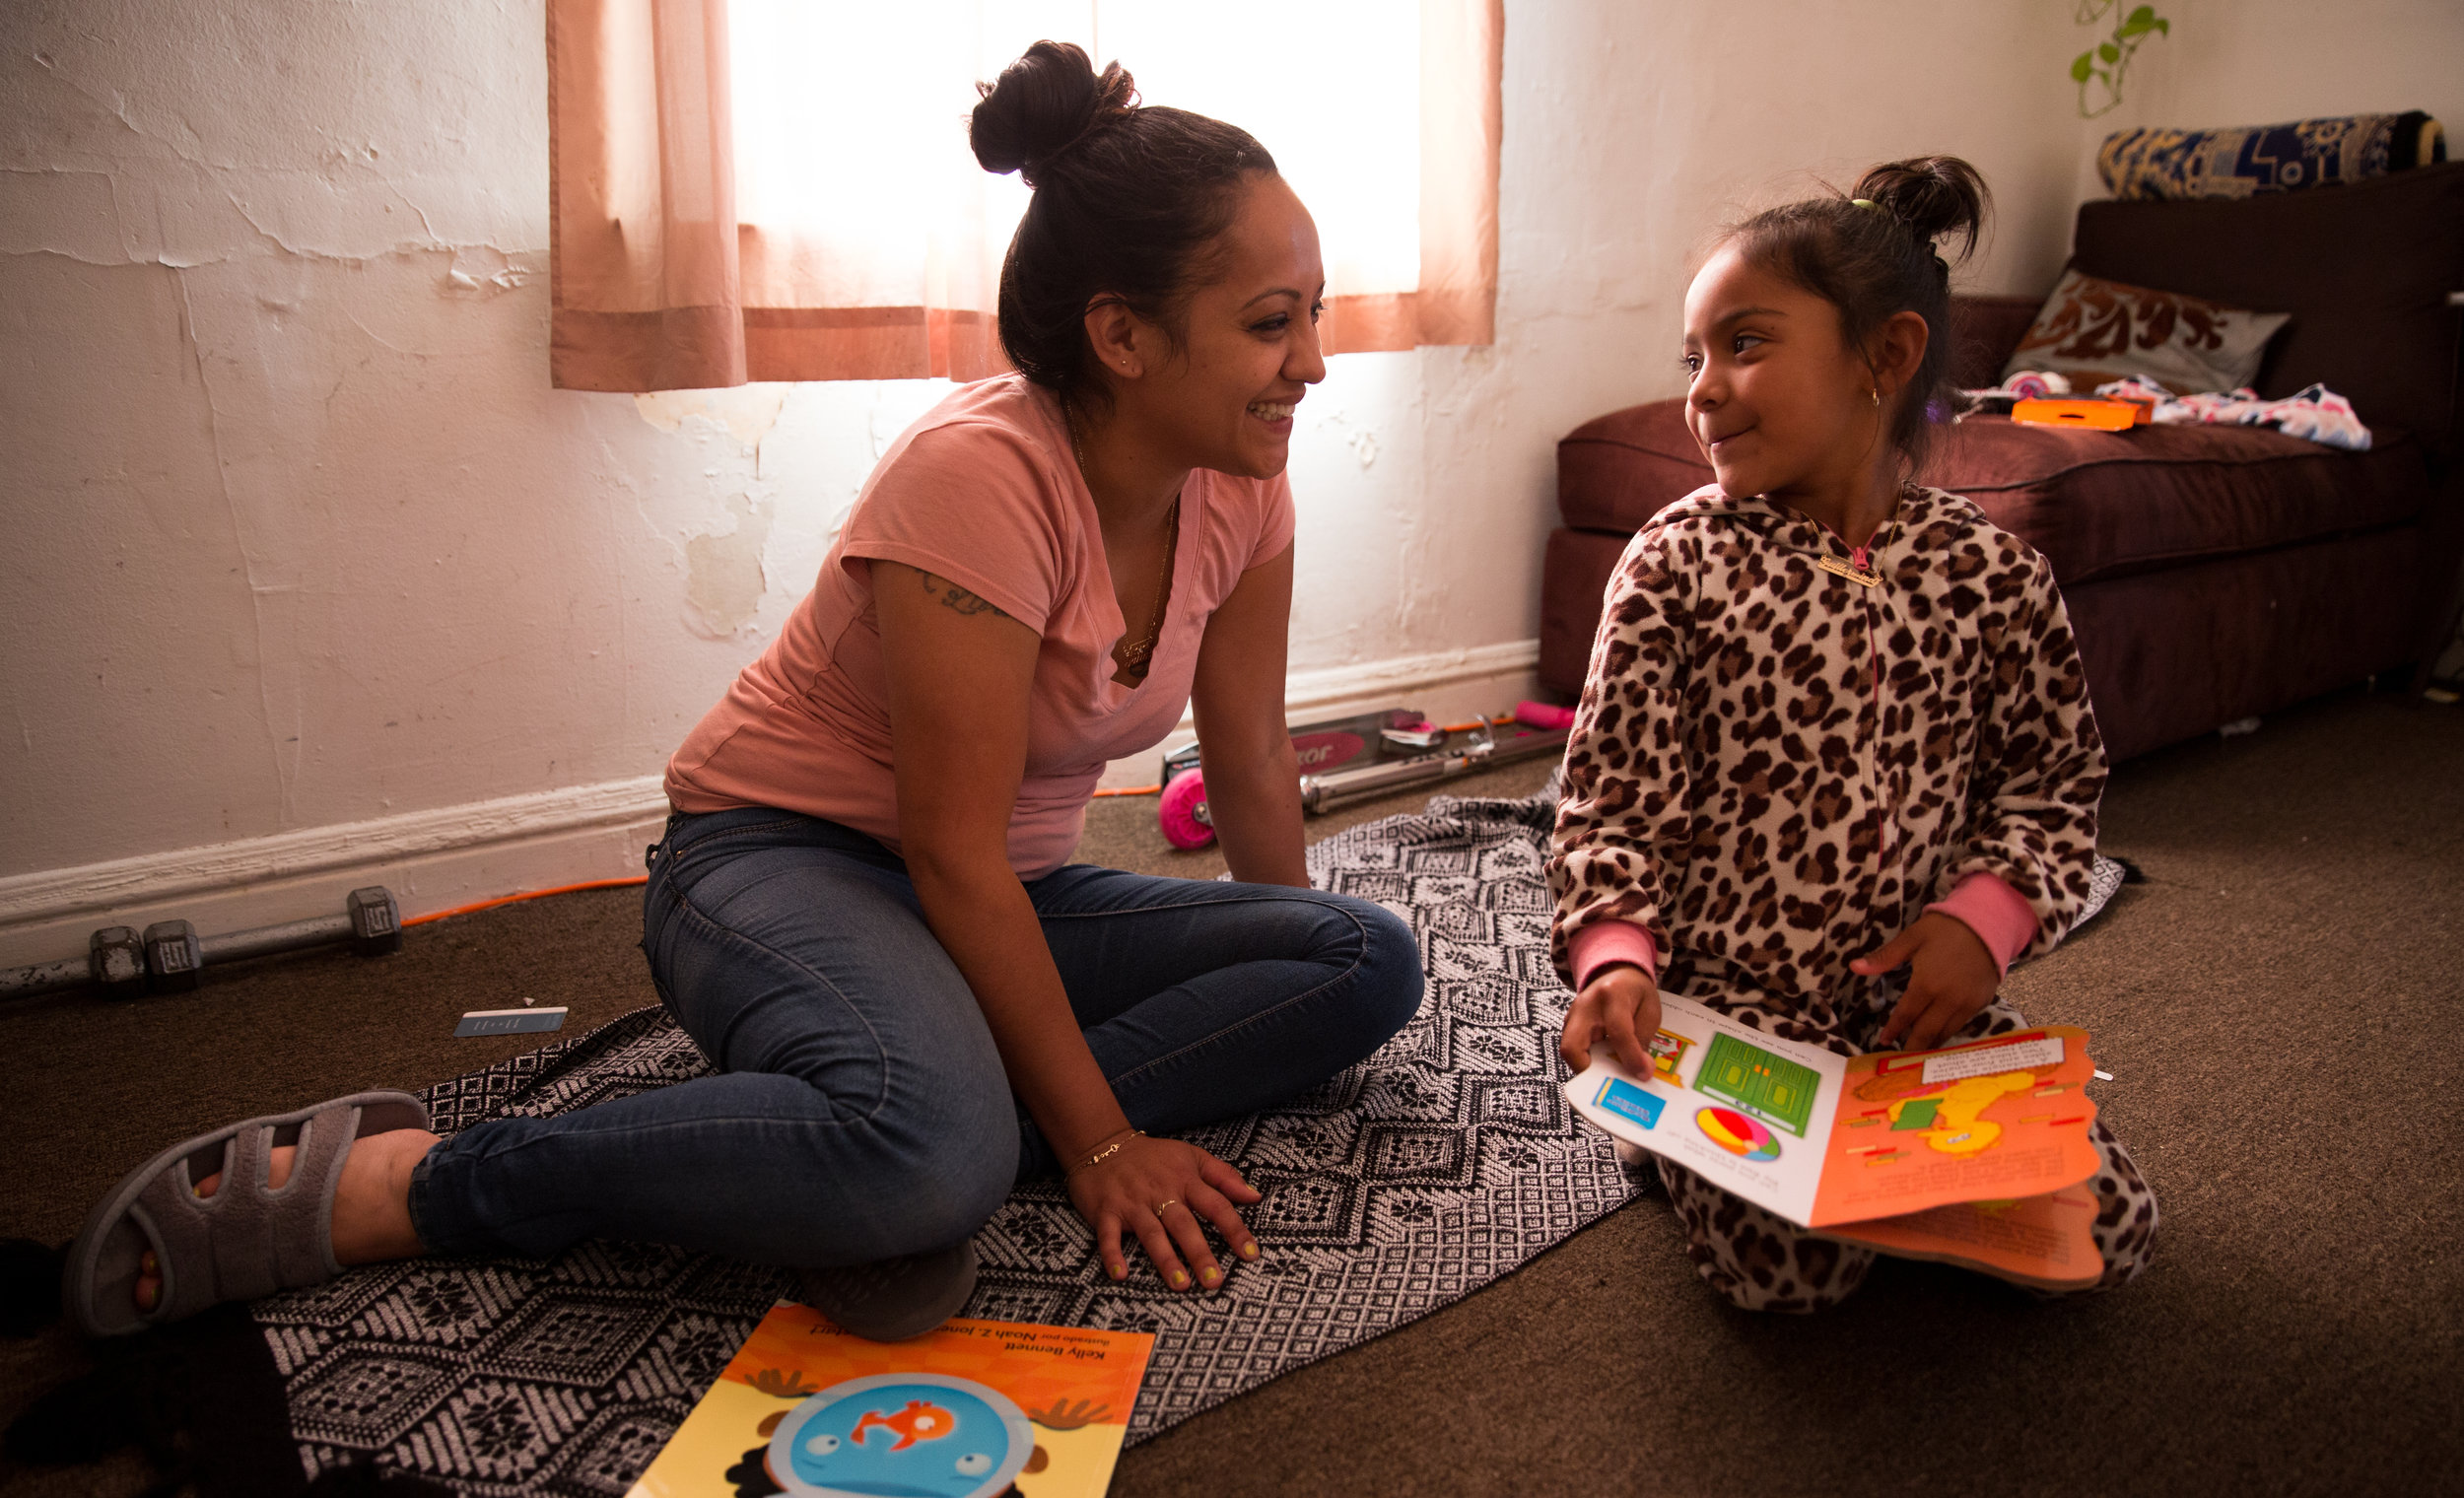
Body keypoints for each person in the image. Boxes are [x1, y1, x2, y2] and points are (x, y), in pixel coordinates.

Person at [67, 41, 1422, 1342]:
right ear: (1121, 334)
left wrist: (1270, 963)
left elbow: (1246, 750)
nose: (1314, 360)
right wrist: (1108, 1139)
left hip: (1010, 893)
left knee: (1359, 958)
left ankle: (885, 1144)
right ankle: (418, 1179)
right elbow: (948, 854)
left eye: (1312, 312)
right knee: (927, 1150)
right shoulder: (981, 479)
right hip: (780, 861)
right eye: (1269, 323)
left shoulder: (1246, 484)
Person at [1549, 157, 2157, 1313]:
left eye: (1745, 345)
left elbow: (2052, 785)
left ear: (1883, 358)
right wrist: (1617, 958)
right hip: (1724, 998)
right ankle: (1661, 1134)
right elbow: (1609, 801)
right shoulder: (1674, 563)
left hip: (1913, 992)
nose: (1704, 388)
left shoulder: (1991, 571)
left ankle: (1858, 1141)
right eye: (1692, 357)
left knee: (2105, 1228)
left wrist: (1979, 927)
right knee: (1799, 1273)